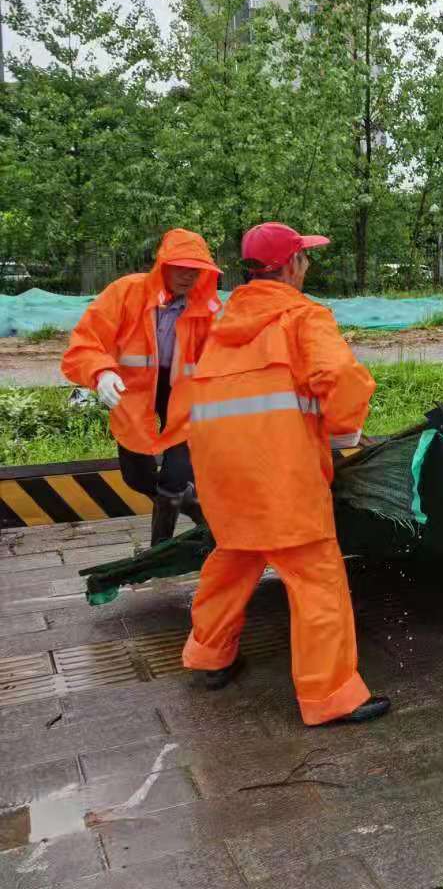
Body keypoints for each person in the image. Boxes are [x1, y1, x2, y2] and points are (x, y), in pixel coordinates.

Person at [181, 222, 389, 726]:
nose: (309, 265)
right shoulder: (303, 316)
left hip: (222, 473)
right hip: (280, 476)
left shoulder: (220, 327)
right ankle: (331, 696)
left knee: (232, 558)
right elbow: (339, 379)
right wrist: (343, 438)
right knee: (316, 578)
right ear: (292, 264)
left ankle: (209, 657)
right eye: (305, 257)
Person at [62, 229, 222, 546]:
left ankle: (158, 550)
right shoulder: (126, 292)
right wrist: (101, 372)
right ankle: (191, 504)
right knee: (136, 477)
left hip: (185, 396)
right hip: (133, 392)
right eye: (180, 266)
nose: (188, 276)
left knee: (175, 479)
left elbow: (223, 357)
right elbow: (84, 343)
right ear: (162, 264)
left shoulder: (208, 309)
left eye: (196, 269)